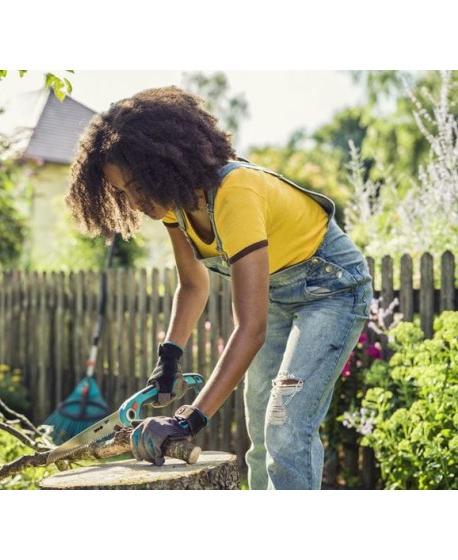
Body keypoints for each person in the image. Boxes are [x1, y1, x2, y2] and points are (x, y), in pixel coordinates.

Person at [66, 85, 373, 490]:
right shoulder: (175, 206)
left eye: (137, 185)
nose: (135, 201)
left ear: (162, 163)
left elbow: (250, 327)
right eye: (123, 192)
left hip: (332, 290)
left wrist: (187, 419)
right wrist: (169, 358)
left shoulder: (235, 193)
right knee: (261, 431)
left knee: (284, 425)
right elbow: (193, 286)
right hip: (281, 295)